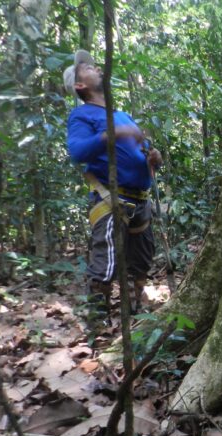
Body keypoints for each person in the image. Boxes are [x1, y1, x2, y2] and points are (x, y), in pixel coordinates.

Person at [63, 49, 162, 325]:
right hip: (110, 199)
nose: (95, 68)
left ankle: (134, 316)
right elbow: (77, 151)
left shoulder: (121, 114)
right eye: (88, 68)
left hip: (140, 199)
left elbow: (143, 149)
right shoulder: (81, 115)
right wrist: (113, 133)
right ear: (80, 85)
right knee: (105, 263)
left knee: (141, 261)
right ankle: (97, 326)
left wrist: (155, 157)